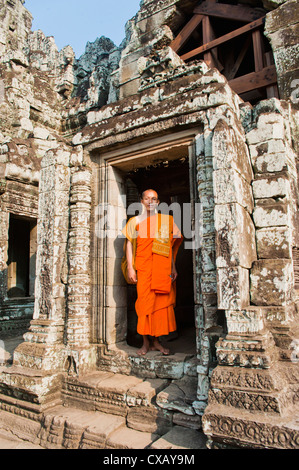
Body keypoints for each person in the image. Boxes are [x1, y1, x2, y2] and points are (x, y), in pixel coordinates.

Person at [122, 189, 183, 356]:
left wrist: (173, 267)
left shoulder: (166, 221)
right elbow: (129, 244)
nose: (150, 201)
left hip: (162, 271)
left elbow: (168, 247)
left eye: (154, 198)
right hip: (143, 269)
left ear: (158, 202)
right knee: (144, 306)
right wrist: (130, 267)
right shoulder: (135, 221)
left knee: (159, 307)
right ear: (141, 201)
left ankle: (157, 342)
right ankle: (145, 343)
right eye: (147, 198)